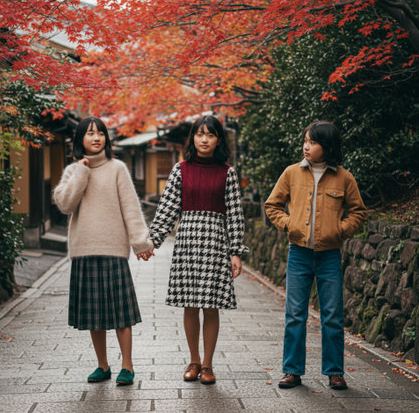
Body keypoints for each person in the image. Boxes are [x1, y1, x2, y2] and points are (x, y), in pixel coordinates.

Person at [265, 121, 366, 390]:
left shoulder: (344, 177)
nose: (306, 146)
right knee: (295, 314)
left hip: (329, 255)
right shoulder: (291, 173)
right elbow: (272, 205)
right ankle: (292, 371)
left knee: (332, 315)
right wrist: (290, 224)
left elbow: (358, 212)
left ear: (328, 147)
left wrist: (339, 230)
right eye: (305, 140)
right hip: (298, 253)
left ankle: (335, 371)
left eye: (312, 142)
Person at [53, 117, 154, 386]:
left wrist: (141, 243)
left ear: (106, 140)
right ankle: (102, 365)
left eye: (100, 133)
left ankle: (127, 366)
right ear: (79, 141)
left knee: (121, 312)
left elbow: (130, 208)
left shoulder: (117, 168)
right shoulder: (74, 171)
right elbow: (65, 204)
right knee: (93, 314)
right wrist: (81, 173)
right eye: (89, 134)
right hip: (84, 249)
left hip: (113, 250)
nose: (96, 138)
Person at [150, 116, 248, 384]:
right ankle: (193, 361)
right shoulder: (180, 169)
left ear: (219, 140)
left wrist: (236, 251)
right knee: (190, 305)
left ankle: (208, 365)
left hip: (216, 242)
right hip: (187, 242)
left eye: (211, 135)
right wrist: (153, 241)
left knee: (212, 305)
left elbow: (235, 214)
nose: (204, 139)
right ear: (192, 138)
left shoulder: (227, 172)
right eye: (199, 134)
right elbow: (167, 209)